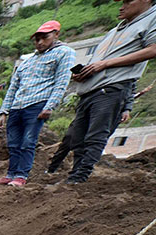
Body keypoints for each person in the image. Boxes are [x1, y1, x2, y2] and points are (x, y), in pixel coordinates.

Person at [63, 0, 156, 184]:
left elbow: (153, 49)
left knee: (95, 135)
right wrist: (85, 72)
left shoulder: (151, 18)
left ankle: (80, 178)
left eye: (128, 1)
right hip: (91, 88)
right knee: (77, 137)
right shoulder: (116, 30)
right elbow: (98, 61)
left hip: (112, 87)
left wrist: (105, 64)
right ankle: (74, 176)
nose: (122, 6)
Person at [0, 22, 76, 187]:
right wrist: (4, 111)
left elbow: (62, 81)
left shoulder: (64, 53)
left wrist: (50, 105)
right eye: (37, 39)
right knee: (13, 143)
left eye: (44, 38)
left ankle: (21, 176)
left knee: (28, 141)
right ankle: (11, 174)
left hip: (37, 103)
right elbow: (13, 87)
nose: (40, 42)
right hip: (17, 106)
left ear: (56, 34)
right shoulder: (28, 61)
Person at [48, 80, 138, 174]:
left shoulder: (127, 76)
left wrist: (127, 109)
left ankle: (79, 172)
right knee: (70, 139)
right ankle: (51, 169)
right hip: (90, 103)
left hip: (110, 108)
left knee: (92, 141)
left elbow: (131, 90)